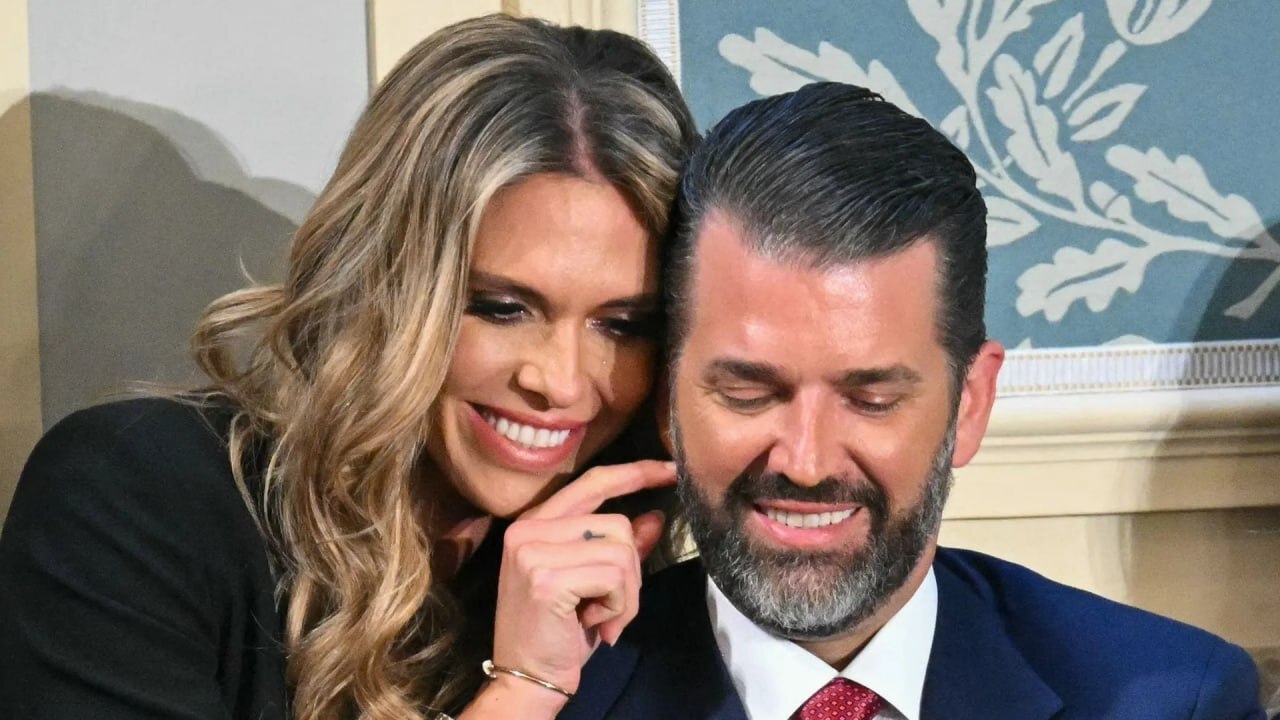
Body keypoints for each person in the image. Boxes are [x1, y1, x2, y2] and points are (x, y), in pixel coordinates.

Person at [0, 14, 697, 720]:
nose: (561, 382)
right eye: (501, 307)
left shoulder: (631, 589)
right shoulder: (133, 503)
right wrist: (524, 688)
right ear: (383, 281)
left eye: (623, 326)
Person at [558, 82, 1265, 720]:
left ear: (970, 404)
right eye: (748, 394)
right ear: (668, 401)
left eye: (871, 399)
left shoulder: (1171, 699)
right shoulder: (552, 693)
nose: (805, 462)